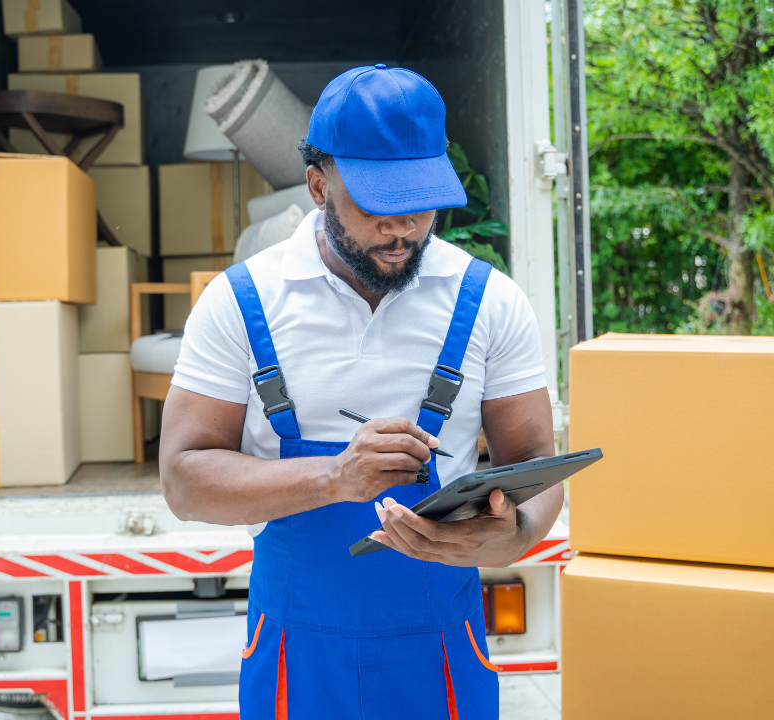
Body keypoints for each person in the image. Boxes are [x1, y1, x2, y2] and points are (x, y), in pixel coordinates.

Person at [160, 64, 561, 720]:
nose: (403, 230)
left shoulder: (491, 302)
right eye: (378, 206)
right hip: (296, 658)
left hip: (440, 652)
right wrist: (335, 478)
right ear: (319, 185)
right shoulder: (240, 301)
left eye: (421, 203)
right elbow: (183, 481)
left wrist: (511, 536)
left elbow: (537, 464)